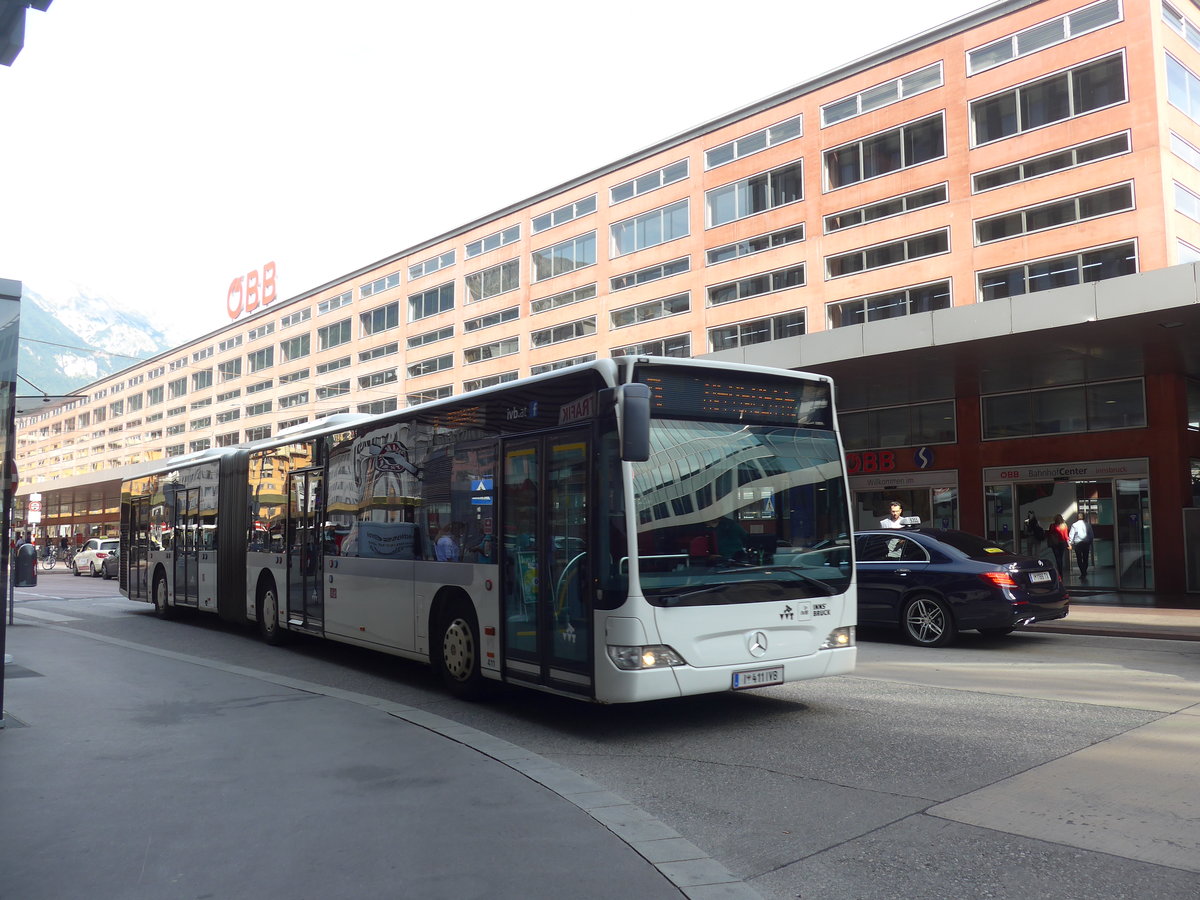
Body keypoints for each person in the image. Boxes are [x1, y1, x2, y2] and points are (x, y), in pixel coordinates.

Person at [1069, 512, 1094, 581]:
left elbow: (1071, 535)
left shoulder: (1074, 525)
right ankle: (1084, 571)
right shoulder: (1088, 525)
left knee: (1079, 559)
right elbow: (1091, 535)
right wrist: (1090, 542)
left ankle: (1082, 572)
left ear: (1077, 517)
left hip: (1078, 544)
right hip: (1086, 543)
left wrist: (1070, 543)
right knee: (1085, 558)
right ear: (1084, 517)